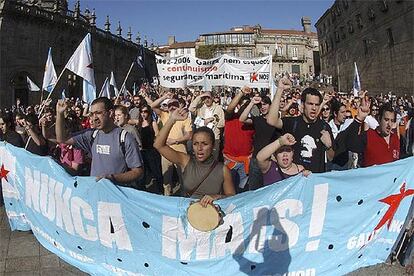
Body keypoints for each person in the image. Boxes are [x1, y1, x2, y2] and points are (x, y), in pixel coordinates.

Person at [154, 108, 234, 206]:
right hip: (187, 213)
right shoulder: (185, 161)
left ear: (213, 146)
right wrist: (172, 120)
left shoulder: (223, 170)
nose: (199, 148)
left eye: (204, 144)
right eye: (195, 144)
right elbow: (158, 145)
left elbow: (232, 197)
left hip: (212, 216)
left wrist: (217, 196)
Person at [55, 97, 144, 187]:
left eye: (98, 113)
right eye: (92, 114)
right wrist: (60, 114)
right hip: (95, 194)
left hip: (116, 196)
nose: (95, 118)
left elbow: (138, 172)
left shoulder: (125, 138)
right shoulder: (91, 135)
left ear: (110, 113)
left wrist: (113, 178)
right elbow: (62, 139)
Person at [267, 78, 334, 173]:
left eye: (317, 104)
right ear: (302, 105)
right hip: (295, 180)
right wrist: (280, 90)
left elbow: (331, 157)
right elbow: (271, 120)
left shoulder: (324, 127)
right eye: (310, 104)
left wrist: (328, 146)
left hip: (316, 179)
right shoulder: (293, 123)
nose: (314, 108)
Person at [239, 95, 281, 190]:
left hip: (271, 160)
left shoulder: (277, 122)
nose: (262, 107)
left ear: (270, 105)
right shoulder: (257, 119)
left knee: (271, 190)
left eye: (265, 104)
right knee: (254, 191)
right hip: (256, 160)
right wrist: (252, 103)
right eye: (260, 105)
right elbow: (242, 119)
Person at [223, 87, 255, 193]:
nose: (246, 107)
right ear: (238, 105)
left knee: (243, 192)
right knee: (229, 191)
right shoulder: (230, 117)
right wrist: (241, 93)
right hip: (230, 161)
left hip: (245, 163)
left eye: (248, 105)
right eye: (244, 105)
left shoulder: (251, 122)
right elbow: (229, 108)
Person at [189, 91, 225, 160]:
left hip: (214, 138)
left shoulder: (218, 108)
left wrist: (213, 119)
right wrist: (200, 96)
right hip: (201, 138)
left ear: (212, 98)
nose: (207, 100)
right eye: (205, 98)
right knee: (202, 159)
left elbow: (222, 123)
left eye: (209, 98)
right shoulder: (200, 108)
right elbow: (191, 108)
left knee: (214, 159)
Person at [137, 104, 163, 194]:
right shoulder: (139, 123)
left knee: (156, 172)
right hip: (142, 151)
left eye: (145, 111)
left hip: (152, 151)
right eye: (141, 111)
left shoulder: (153, 123)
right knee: (143, 174)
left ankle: (160, 191)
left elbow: (158, 136)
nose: (143, 114)